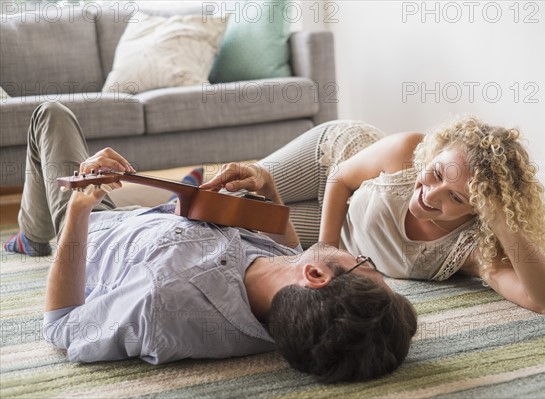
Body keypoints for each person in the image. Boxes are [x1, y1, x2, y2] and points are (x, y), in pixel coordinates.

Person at [3, 102, 417, 383]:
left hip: (96, 227)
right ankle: (180, 190)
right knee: (193, 191)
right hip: (166, 221)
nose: (359, 255)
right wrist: (268, 185)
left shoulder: (158, 304)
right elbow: (289, 253)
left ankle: (35, 236)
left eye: (364, 262)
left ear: (316, 275)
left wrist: (77, 210)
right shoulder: (296, 314)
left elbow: (60, 324)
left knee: (50, 115)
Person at [201, 119, 545, 316]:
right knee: (228, 189)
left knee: (233, 221)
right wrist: (324, 249)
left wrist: (501, 219)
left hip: (341, 230)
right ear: (435, 154)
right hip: (336, 168)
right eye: (437, 174)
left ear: (477, 211)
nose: (430, 195)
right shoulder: (408, 151)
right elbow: (341, 177)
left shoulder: (470, 250)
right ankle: (146, 182)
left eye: (455, 197)